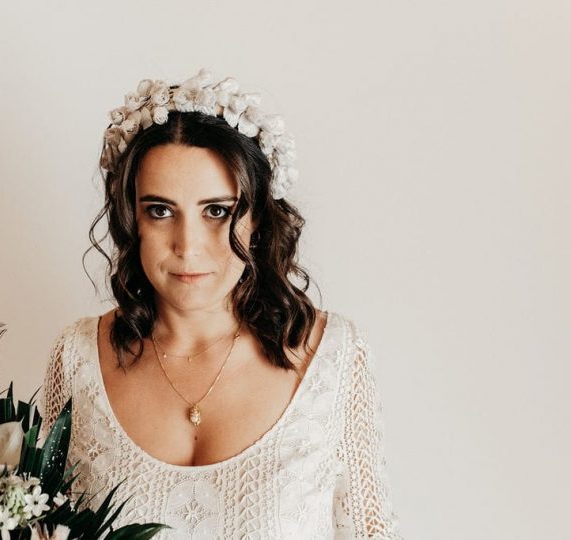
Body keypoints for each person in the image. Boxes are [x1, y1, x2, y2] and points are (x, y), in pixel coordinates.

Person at [40, 68, 403, 539]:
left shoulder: (333, 358)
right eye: (160, 210)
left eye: (217, 211)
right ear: (132, 220)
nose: (188, 246)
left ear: (258, 219)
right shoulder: (77, 359)